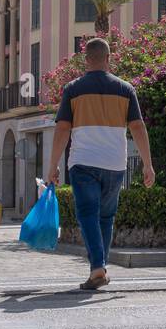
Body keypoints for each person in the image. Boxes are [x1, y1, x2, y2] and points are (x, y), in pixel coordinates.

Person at [45, 38, 156, 290]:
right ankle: (100, 267)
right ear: (109, 59)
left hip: (83, 163)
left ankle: (97, 268)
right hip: (115, 165)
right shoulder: (126, 89)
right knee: (106, 217)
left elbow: (63, 129)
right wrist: (147, 164)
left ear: (86, 60)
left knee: (87, 215)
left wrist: (52, 166)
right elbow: (138, 127)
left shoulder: (73, 89)